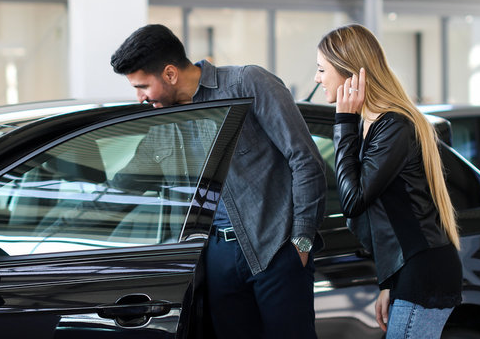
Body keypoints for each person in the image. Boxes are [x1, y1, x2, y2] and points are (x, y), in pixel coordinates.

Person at [110, 24, 326, 339]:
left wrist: (301, 244)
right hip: (216, 260)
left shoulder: (246, 83)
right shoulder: (163, 123)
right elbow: (125, 184)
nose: (140, 97)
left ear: (170, 74)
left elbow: (306, 160)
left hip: (275, 250)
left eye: (142, 86)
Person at [315, 24, 462, 338]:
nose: (317, 79)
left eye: (321, 70)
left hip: (423, 272)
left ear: (349, 73)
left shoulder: (392, 125)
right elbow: (385, 218)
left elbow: (354, 201)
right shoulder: (378, 125)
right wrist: (388, 283)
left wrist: (343, 121)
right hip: (408, 272)